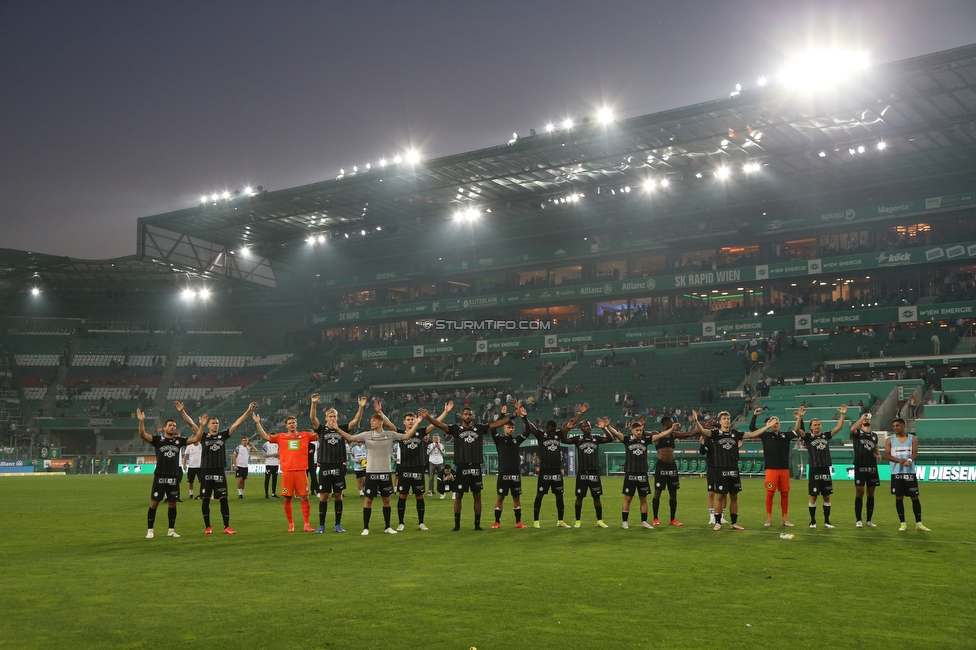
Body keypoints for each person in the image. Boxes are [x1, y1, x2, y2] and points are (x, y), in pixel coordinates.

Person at [333, 409, 427, 535]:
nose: (371, 422)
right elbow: (350, 437)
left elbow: (406, 436)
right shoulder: (366, 435)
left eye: (374, 420)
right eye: (371, 421)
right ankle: (366, 528)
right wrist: (338, 429)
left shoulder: (390, 435)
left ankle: (387, 527)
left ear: (381, 422)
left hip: (386, 473)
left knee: (386, 500)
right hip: (371, 472)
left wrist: (418, 422)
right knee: (368, 501)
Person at [425, 406, 512, 531]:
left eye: (470, 414)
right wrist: (428, 416)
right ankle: (457, 525)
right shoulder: (455, 429)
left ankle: (477, 525)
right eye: (465, 414)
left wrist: (512, 416)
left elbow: (495, 424)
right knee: (459, 495)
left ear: (472, 416)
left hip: (476, 466)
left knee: (477, 496)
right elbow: (439, 424)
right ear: (461, 416)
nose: (467, 416)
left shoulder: (479, 428)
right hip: (461, 466)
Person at [691, 409, 776, 531]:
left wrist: (767, 426)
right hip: (720, 470)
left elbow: (752, 434)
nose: (727, 420)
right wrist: (696, 421)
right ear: (720, 421)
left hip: (733, 469)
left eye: (728, 418)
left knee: (734, 497)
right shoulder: (715, 434)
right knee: (720, 496)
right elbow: (702, 430)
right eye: (724, 419)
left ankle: (734, 523)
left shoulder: (735, 434)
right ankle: (718, 522)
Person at [382, 401, 452, 532]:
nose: (410, 422)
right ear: (404, 422)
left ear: (415, 420)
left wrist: (446, 411)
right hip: (404, 468)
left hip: (418, 468)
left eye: (412, 419)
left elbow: (435, 423)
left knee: (420, 496)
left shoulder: (421, 432)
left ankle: (421, 522)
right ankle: (401, 523)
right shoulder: (400, 433)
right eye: (408, 420)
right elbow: (388, 424)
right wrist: (380, 412)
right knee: (403, 496)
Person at [138, 402, 204, 539]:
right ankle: (150, 530)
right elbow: (143, 435)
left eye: (174, 425)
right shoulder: (158, 440)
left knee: (173, 503)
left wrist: (201, 425)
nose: (172, 427)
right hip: (160, 476)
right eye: (170, 425)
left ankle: (171, 530)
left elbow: (197, 437)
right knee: (154, 503)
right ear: (164, 428)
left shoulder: (179, 441)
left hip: (174, 476)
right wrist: (141, 422)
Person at [309, 394, 367, 534]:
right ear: (326, 418)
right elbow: (312, 418)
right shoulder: (321, 429)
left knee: (338, 495)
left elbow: (356, 420)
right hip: (325, 466)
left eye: (335, 416)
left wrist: (361, 407)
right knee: (323, 496)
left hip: (339, 466)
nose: (333, 418)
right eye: (330, 416)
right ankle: (321, 526)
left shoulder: (342, 429)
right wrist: (314, 404)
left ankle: (337, 524)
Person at [524, 404, 587, 528]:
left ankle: (560, 520)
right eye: (550, 430)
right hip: (544, 471)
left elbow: (570, 423)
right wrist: (524, 417)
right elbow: (531, 427)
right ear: (547, 428)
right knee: (539, 495)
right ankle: (536, 521)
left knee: (559, 496)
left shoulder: (558, 435)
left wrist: (580, 414)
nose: (553, 433)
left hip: (556, 472)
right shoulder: (541, 435)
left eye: (554, 430)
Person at [252, 412, 318, 532]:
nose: (292, 425)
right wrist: (257, 423)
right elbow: (264, 437)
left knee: (305, 497)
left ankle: (306, 524)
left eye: (293, 423)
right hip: (287, 472)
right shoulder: (280, 437)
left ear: (296, 424)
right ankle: (291, 524)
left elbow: (319, 432)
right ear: (286, 426)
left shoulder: (305, 435)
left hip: (301, 471)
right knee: (287, 498)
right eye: (289, 423)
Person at [198, 402, 257, 535]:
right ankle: (208, 527)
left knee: (223, 499)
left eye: (217, 423)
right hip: (206, 471)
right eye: (212, 423)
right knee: (206, 499)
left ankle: (227, 527)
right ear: (208, 425)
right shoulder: (203, 436)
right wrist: (182, 412)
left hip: (219, 471)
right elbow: (191, 424)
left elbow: (236, 424)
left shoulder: (223, 436)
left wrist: (248, 411)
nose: (215, 424)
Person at [795, 405, 847, 529]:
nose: (817, 426)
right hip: (814, 469)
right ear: (811, 427)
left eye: (819, 424)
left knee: (827, 496)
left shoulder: (826, 435)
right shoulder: (807, 437)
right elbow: (797, 429)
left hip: (825, 469)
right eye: (815, 424)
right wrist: (800, 417)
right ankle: (812, 521)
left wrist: (843, 414)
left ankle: (827, 521)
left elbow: (839, 427)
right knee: (813, 496)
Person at [750, 407, 802, 528]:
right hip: (771, 470)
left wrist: (799, 418)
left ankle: (785, 519)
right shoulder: (765, 435)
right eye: (772, 422)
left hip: (784, 470)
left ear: (780, 425)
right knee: (770, 494)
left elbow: (799, 431)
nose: (775, 424)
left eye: (777, 422)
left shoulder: (786, 435)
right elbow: (752, 429)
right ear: (769, 424)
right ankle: (769, 519)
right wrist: (755, 415)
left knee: (785, 495)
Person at [601, 419, 656, 529]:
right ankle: (625, 522)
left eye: (641, 430)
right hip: (630, 474)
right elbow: (616, 433)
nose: (639, 432)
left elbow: (659, 436)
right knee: (628, 498)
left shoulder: (646, 440)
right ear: (632, 431)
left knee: (644, 499)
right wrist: (608, 426)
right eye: (637, 430)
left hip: (643, 474)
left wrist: (671, 430)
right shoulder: (627, 440)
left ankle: (644, 522)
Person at [563, 411, 613, 528]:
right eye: (584, 426)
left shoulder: (596, 438)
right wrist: (567, 428)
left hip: (594, 472)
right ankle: (578, 521)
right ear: (581, 429)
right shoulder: (577, 439)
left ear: (591, 427)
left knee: (597, 497)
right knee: (579, 497)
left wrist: (604, 428)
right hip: (582, 473)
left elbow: (610, 439)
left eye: (588, 425)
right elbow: (563, 440)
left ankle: (600, 520)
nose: (587, 427)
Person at [650, 415, 700, 527]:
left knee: (673, 493)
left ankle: (672, 519)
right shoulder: (656, 434)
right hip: (661, 465)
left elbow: (688, 434)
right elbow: (643, 433)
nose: (673, 424)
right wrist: (642, 425)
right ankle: (655, 518)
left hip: (672, 466)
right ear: (666, 423)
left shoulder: (673, 434)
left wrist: (701, 428)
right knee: (658, 492)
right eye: (671, 422)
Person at [884, 418, 930, 531]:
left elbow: (915, 453)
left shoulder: (912, 439)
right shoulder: (890, 440)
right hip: (896, 472)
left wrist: (909, 460)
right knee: (899, 497)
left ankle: (919, 524)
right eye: (894, 426)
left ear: (903, 426)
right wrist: (899, 461)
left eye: (897, 425)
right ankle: (903, 523)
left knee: (914, 497)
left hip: (909, 472)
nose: (895, 428)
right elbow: (887, 455)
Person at [491, 405, 530, 529]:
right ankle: (497, 522)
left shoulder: (516, 440)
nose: (511, 429)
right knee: (500, 497)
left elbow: (528, 431)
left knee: (516, 497)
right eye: (508, 427)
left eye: (512, 427)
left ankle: (518, 522)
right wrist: (502, 416)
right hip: (503, 473)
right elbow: (492, 428)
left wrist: (524, 418)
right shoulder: (499, 440)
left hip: (515, 473)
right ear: (504, 428)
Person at [850, 413, 882, 528]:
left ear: (870, 422)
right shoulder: (858, 433)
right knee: (859, 492)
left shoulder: (874, 435)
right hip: (860, 466)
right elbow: (852, 429)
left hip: (872, 467)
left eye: (867, 419)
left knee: (871, 493)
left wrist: (878, 455)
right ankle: (858, 520)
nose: (866, 421)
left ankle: (869, 520)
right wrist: (861, 418)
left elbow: (876, 447)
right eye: (864, 420)